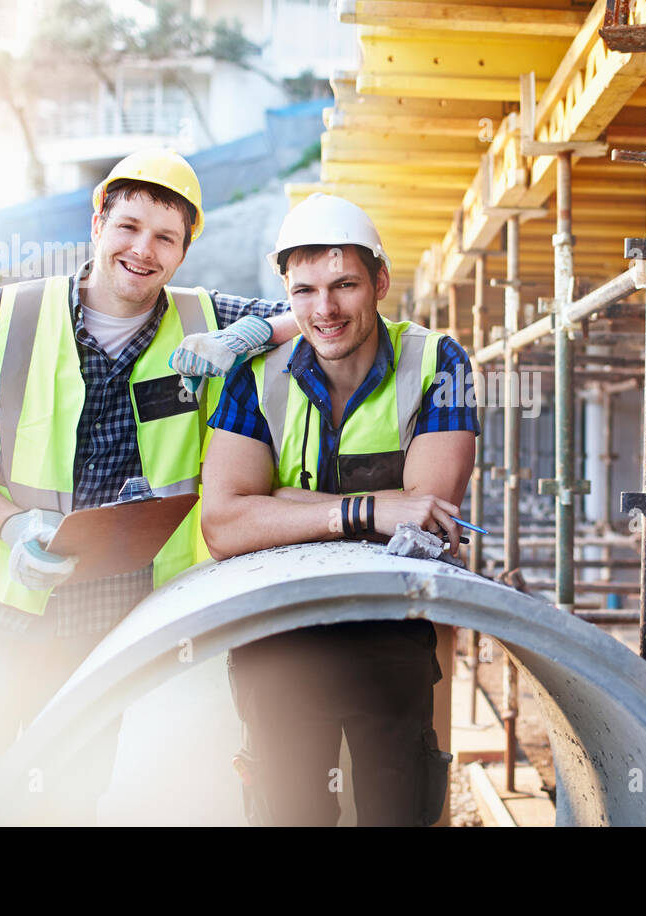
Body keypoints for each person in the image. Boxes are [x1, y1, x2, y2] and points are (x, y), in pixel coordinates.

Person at [0, 148, 299, 823]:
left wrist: (247, 333)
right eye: (129, 226)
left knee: (65, 799)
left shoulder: (203, 320)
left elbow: (321, 309)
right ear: (98, 221)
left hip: (105, 628)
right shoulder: (9, 318)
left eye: (166, 238)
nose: (143, 250)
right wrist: (13, 528)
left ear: (184, 251)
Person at [200, 193, 479, 826]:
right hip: (276, 643)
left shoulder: (437, 362)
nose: (324, 309)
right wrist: (366, 510)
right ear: (286, 295)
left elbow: (426, 524)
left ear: (380, 281)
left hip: (391, 634)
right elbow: (221, 525)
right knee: (292, 814)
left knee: (397, 810)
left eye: (344, 284)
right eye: (305, 290)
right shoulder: (257, 374)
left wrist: (281, 504)